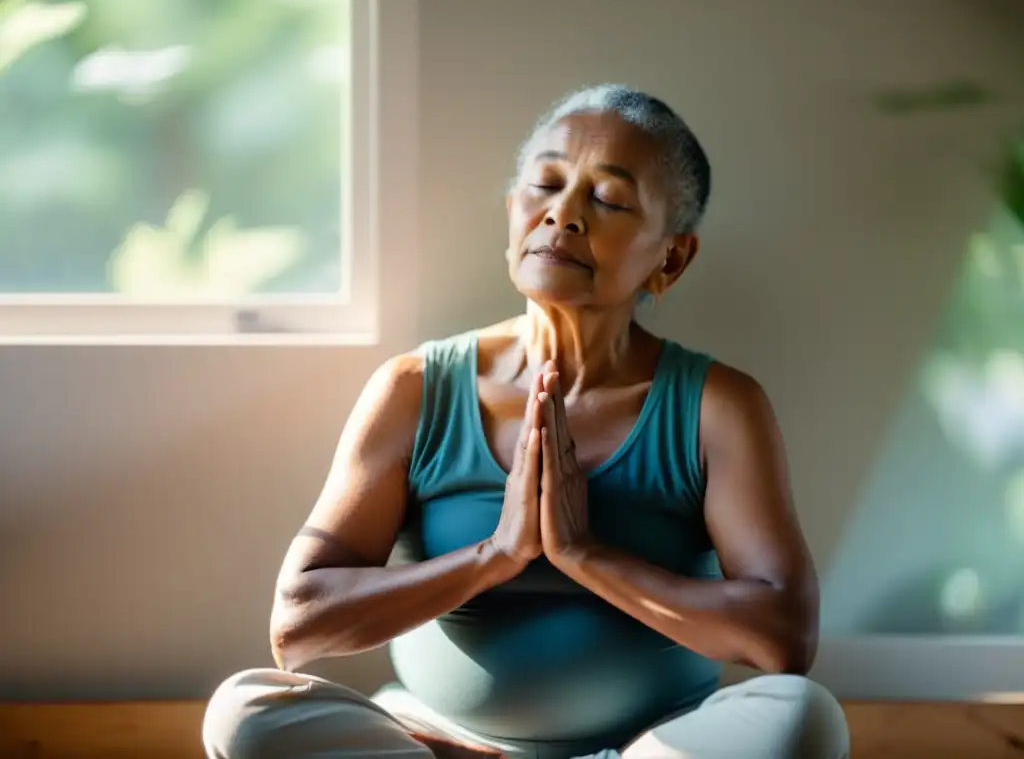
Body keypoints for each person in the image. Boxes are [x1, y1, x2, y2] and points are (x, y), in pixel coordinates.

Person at [202, 84, 850, 759]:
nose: (563, 215)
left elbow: (782, 639)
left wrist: (586, 554)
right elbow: (300, 624)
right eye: (544, 185)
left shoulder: (718, 405)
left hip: (653, 746)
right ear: (513, 212)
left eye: (608, 199)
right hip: (443, 741)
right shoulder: (414, 390)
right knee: (244, 714)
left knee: (803, 719)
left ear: (672, 257)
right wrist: (496, 555)